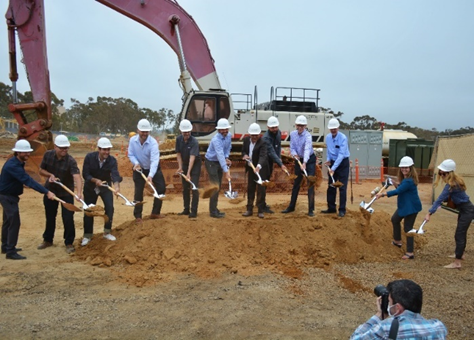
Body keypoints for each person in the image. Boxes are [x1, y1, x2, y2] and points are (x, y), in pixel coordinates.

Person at [0, 140, 56, 260]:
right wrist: (46, 192)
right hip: (7, 196)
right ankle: (10, 251)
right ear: (17, 152)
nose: (27, 154)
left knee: (7, 222)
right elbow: (28, 181)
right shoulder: (13, 166)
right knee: (14, 222)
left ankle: (5, 246)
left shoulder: (17, 162)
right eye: (24, 152)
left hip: (10, 196)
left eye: (28, 152)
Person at [350, 279, 447, 339]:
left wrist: (379, 315)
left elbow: (355, 338)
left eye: (389, 301)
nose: (388, 303)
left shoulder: (386, 328)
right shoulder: (439, 327)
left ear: (397, 308)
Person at [424, 159, 474, 269]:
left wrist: (429, 213)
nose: (441, 175)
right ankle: (460, 254)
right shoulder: (454, 182)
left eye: (444, 173)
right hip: (465, 209)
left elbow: (439, 199)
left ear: (450, 173)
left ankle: (457, 262)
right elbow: (450, 197)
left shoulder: (451, 185)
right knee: (460, 233)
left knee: (459, 234)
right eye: (440, 172)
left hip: (467, 210)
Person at [38, 135, 83, 254]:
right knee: (50, 217)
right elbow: (41, 170)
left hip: (66, 193)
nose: (64, 150)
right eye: (61, 148)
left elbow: (77, 177)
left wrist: (78, 193)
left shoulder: (70, 161)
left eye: (66, 148)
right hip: (50, 191)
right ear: (55, 146)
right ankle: (47, 240)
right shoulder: (48, 155)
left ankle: (69, 243)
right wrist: (50, 175)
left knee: (68, 218)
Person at [376, 156, 422, 260]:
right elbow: (400, 187)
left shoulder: (409, 181)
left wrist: (383, 194)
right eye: (402, 167)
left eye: (406, 167)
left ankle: (410, 252)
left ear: (411, 168)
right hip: (405, 206)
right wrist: (393, 182)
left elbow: (398, 191)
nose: (404, 169)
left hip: (411, 208)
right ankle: (397, 241)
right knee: (395, 219)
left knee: (408, 228)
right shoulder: (406, 180)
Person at [81, 137, 122, 246]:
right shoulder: (89, 158)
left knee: (109, 207)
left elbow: (115, 174)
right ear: (98, 149)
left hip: (105, 187)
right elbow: (85, 174)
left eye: (108, 149)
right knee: (89, 210)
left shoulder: (112, 160)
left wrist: (116, 187)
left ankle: (107, 232)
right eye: (104, 150)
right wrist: (95, 180)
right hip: (90, 188)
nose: (107, 152)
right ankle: (87, 235)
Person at [128, 118, 166, 223]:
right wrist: (136, 163)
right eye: (142, 131)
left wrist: (150, 176)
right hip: (138, 168)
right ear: (138, 130)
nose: (144, 133)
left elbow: (154, 161)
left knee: (161, 188)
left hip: (152, 168)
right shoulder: (132, 141)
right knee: (138, 192)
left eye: (146, 131)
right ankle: (138, 216)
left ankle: (155, 212)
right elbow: (130, 154)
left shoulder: (153, 143)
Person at [281, 115, 316, 217]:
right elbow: (292, 147)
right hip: (298, 159)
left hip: (309, 160)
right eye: (298, 125)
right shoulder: (293, 134)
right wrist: (294, 154)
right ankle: (291, 207)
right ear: (296, 125)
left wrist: (304, 162)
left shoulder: (308, 136)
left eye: (302, 125)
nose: (300, 127)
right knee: (296, 182)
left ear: (305, 126)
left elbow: (307, 149)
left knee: (310, 182)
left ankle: (311, 209)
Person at [321, 118, 350, 217]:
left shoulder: (343, 138)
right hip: (333, 162)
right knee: (331, 186)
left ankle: (342, 209)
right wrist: (329, 160)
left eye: (335, 128)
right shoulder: (328, 137)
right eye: (331, 128)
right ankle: (331, 208)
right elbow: (329, 151)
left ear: (338, 128)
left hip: (342, 164)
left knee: (342, 186)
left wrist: (333, 168)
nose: (333, 130)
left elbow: (341, 155)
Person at [204, 118, 232, 218]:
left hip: (219, 162)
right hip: (211, 162)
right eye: (222, 129)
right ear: (218, 130)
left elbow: (228, 148)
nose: (225, 131)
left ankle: (215, 208)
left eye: (226, 129)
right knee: (215, 186)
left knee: (218, 186)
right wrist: (226, 171)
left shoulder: (229, 136)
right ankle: (213, 212)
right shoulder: (216, 140)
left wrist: (227, 157)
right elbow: (219, 154)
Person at [242, 123, 269, 219]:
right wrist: (244, 156)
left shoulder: (263, 142)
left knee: (261, 190)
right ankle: (249, 209)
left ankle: (260, 210)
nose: (254, 137)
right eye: (252, 135)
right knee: (250, 188)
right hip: (250, 168)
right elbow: (243, 151)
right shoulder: (246, 140)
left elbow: (263, 156)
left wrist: (258, 166)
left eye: (256, 135)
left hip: (261, 169)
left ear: (259, 135)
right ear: (249, 134)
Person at [175, 119, 201, 218]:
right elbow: (178, 154)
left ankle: (193, 211)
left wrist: (189, 173)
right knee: (185, 188)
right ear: (181, 131)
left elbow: (192, 157)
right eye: (184, 132)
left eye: (188, 132)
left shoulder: (194, 141)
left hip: (195, 165)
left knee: (194, 187)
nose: (186, 134)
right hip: (185, 164)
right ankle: (186, 209)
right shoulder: (178, 139)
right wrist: (180, 167)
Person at [262, 116, 288, 214]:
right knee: (264, 182)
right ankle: (262, 204)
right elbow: (271, 151)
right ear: (268, 127)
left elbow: (277, 147)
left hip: (271, 160)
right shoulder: (265, 138)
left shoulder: (278, 133)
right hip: (264, 161)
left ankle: (261, 202)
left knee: (267, 180)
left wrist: (279, 158)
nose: (274, 129)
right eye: (272, 128)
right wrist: (280, 164)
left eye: (276, 127)